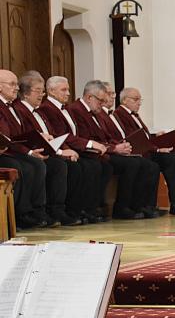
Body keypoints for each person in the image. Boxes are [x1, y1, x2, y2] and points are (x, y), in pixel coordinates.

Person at [67, 80, 160, 219]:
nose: (103, 103)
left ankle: (138, 205)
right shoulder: (77, 110)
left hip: (103, 151)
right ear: (89, 97)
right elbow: (87, 138)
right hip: (91, 152)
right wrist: (115, 148)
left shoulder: (94, 111)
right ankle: (118, 207)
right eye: (100, 100)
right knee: (130, 164)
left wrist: (120, 145)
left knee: (145, 164)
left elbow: (106, 137)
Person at [13, 73, 85, 226]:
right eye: (38, 91)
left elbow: (54, 135)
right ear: (25, 93)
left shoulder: (38, 111)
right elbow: (27, 137)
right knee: (55, 165)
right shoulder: (20, 110)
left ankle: (63, 210)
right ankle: (42, 211)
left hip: (46, 150)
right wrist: (59, 152)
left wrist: (64, 150)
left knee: (71, 165)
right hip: (31, 151)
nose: (42, 95)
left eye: (42, 91)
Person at [114, 86, 175, 215]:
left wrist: (155, 137)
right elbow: (134, 138)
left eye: (140, 100)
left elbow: (143, 136)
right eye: (136, 99)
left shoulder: (134, 115)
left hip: (148, 149)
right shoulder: (120, 114)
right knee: (169, 158)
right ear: (124, 100)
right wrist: (157, 149)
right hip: (141, 152)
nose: (139, 103)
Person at [38, 76, 109, 223]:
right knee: (81, 167)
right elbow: (61, 135)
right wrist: (69, 149)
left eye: (68, 89)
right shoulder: (47, 108)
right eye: (64, 90)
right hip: (60, 149)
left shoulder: (65, 108)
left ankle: (86, 208)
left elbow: (71, 134)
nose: (68, 93)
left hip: (71, 148)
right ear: (51, 91)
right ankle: (73, 209)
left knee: (97, 165)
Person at [0, 69, 52, 229]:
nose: (17, 88)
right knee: (23, 167)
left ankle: (34, 211)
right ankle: (17, 215)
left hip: (12, 150)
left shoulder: (13, 106)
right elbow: (6, 137)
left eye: (17, 84)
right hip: (5, 152)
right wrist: (28, 151)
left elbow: (19, 134)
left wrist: (38, 138)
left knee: (37, 165)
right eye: (12, 84)